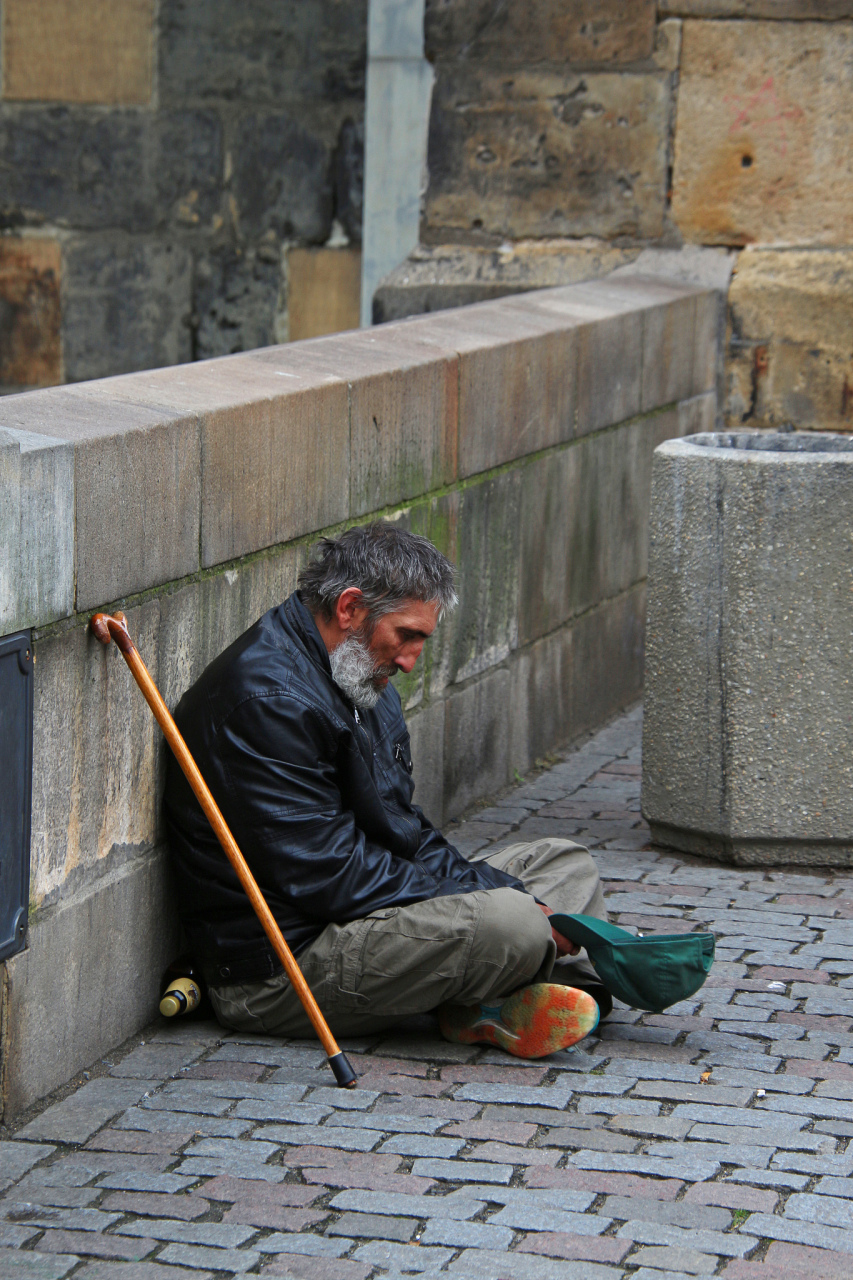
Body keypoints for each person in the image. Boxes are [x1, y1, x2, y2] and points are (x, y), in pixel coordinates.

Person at [164, 522, 611, 1059]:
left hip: (360, 917)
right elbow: (333, 874)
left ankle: (537, 991)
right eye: (407, 635)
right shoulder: (268, 700)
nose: (410, 661)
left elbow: (405, 831)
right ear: (350, 608)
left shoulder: (358, 677)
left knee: (565, 864)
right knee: (513, 924)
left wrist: (510, 891)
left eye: (421, 640)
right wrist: (510, 906)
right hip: (284, 967)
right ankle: (541, 984)